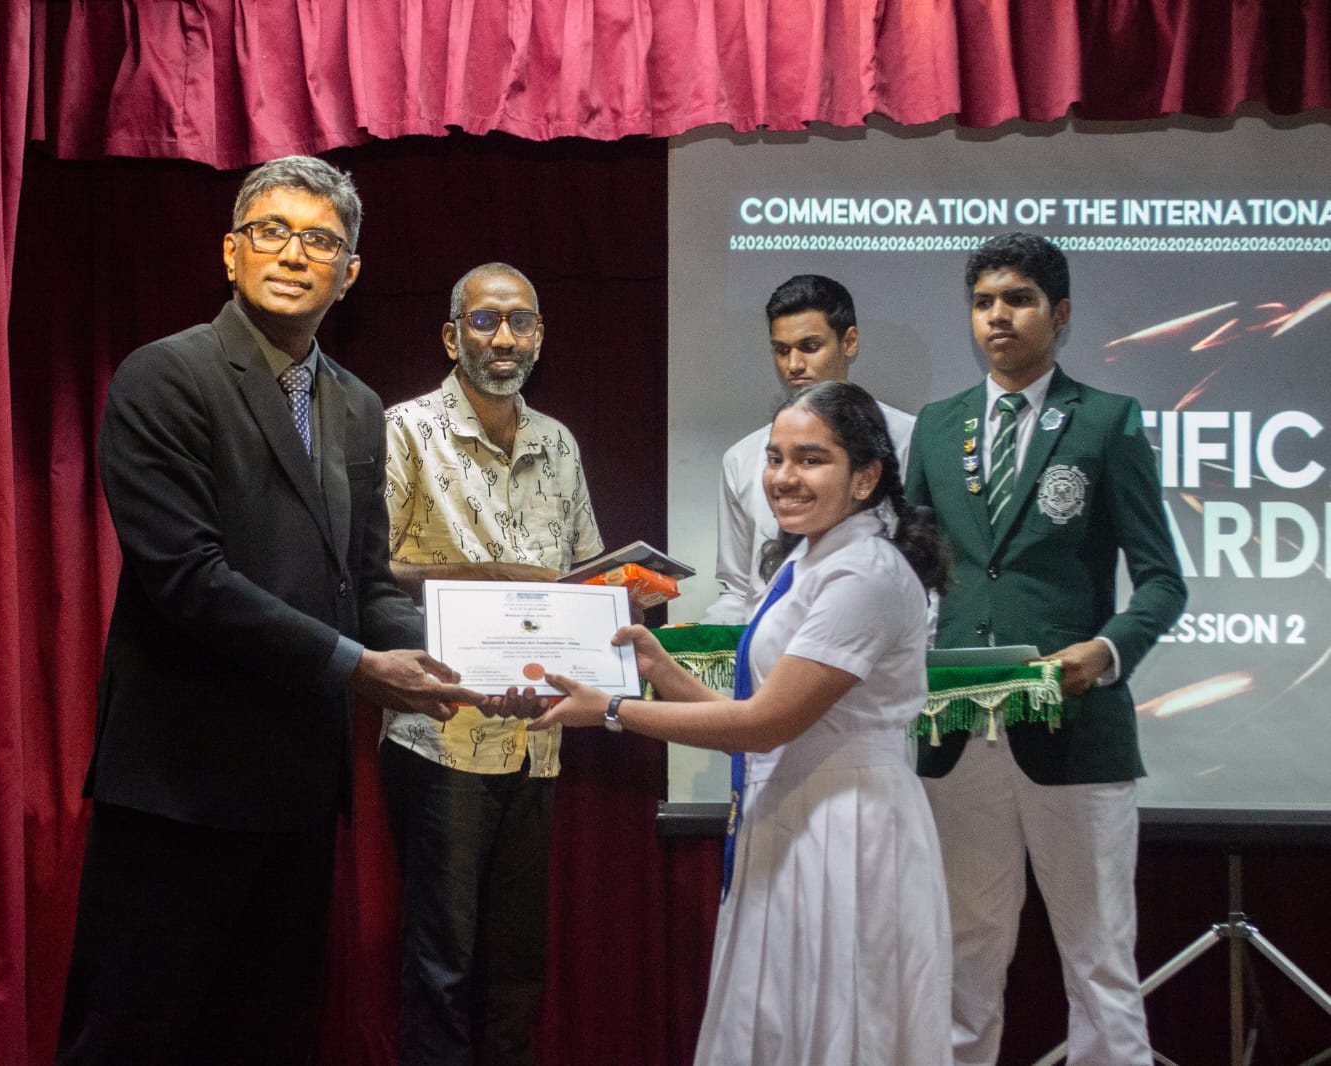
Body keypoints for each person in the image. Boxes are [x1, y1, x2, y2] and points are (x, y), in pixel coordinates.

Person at [56, 156, 488, 1066]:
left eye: (321, 241)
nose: (293, 254)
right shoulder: (165, 375)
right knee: (131, 1038)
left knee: (268, 1039)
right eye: (271, 232)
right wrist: (359, 669)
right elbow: (189, 579)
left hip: (297, 796)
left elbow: (366, 585)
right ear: (231, 252)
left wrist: (472, 665)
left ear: (350, 272)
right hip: (177, 790)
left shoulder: (356, 406)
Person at [535, 380, 953, 1066]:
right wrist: (661, 668)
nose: (784, 477)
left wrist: (611, 710)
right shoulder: (812, 556)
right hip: (794, 813)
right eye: (775, 457)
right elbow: (765, 715)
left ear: (865, 477)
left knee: (840, 1028)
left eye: (811, 459)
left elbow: (762, 725)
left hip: (847, 831)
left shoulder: (866, 573)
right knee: (782, 1023)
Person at [904, 232, 1187, 1066]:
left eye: (1018, 299)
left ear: (1058, 314)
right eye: (983, 301)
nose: (998, 316)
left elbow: (1162, 581)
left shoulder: (1105, 420)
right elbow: (909, 571)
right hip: (957, 729)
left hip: (1075, 728)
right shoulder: (936, 427)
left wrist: (1105, 650)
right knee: (962, 953)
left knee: (1098, 960)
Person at [380, 262, 603, 1066]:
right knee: (442, 960)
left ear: (539, 336)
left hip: (536, 735)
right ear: (452, 337)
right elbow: (371, 569)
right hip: (440, 732)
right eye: (484, 321)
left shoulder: (557, 442)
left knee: (515, 962)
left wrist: (624, 594)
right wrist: (491, 578)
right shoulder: (405, 429)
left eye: (519, 322)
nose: (502, 337)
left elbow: (583, 570)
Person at [701, 274, 916, 624]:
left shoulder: (908, 439)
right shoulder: (741, 458)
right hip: (768, 641)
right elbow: (738, 591)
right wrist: (689, 641)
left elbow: (924, 568)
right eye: (782, 350)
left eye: (810, 346)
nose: (794, 366)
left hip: (871, 633)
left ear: (849, 342)